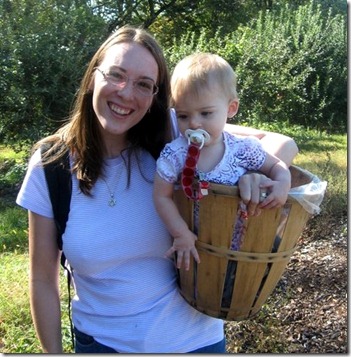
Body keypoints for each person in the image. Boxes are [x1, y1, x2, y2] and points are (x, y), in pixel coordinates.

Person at [16, 26, 298, 353]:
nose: (126, 93)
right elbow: (41, 280)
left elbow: (282, 143)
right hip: (102, 345)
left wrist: (248, 174)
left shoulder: (177, 132)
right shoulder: (52, 165)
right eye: (116, 75)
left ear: (155, 97)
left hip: (197, 343)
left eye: (143, 85)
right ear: (94, 76)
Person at [153, 53, 291, 271]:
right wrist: (180, 232)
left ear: (231, 109)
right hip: (196, 244)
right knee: (204, 286)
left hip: (241, 245)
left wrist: (283, 182)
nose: (194, 123)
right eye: (183, 116)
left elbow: (275, 166)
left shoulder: (242, 149)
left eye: (206, 113)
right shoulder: (176, 154)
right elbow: (162, 195)